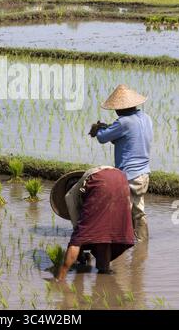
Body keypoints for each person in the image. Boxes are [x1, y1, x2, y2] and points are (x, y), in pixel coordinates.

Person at [89, 84, 153, 241]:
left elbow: (103, 138)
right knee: (139, 211)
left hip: (128, 176)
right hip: (144, 174)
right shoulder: (146, 118)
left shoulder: (124, 122)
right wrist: (109, 128)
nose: (115, 112)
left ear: (120, 108)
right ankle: (142, 245)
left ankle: (119, 247)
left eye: (116, 109)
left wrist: (99, 129)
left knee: (121, 213)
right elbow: (128, 139)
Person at [50, 166, 135, 281]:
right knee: (106, 235)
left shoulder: (70, 195)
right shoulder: (87, 183)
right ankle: (104, 271)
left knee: (77, 239)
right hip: (122, 180)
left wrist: (81, 242)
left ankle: (60, 277)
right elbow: (128, 204)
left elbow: (78, 228)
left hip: (101, 181)